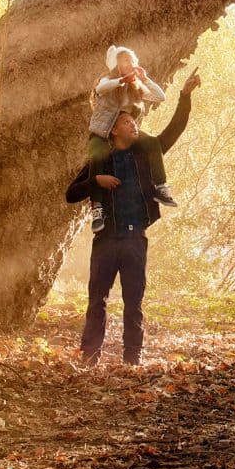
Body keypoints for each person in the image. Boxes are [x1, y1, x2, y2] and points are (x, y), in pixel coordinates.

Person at [66, 66, 201, 366]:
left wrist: (185, 96)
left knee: (133, 303)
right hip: (105, 241)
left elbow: (174, 130)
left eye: (134, 121)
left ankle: (132, 358)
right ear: (114, 130)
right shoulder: (99, 161)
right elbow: (70, 194)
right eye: (128, 122)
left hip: (135, 240)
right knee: (97, 300)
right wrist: (94, 183)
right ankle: (89, 357)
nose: (134, 125)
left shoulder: (146, 153)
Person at [87, 46, 176, 232]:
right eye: (125, 60)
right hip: (104, 130)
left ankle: (160, 187)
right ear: (117, 64)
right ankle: (97, 209)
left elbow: (161, 97)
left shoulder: (136, 87)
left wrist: (144, 79)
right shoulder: (109, 80)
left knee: (152, 142)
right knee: (97, 157)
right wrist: (121, 80)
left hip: (126, 132)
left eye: (132, 61)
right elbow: (101, 88)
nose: (130, 63)